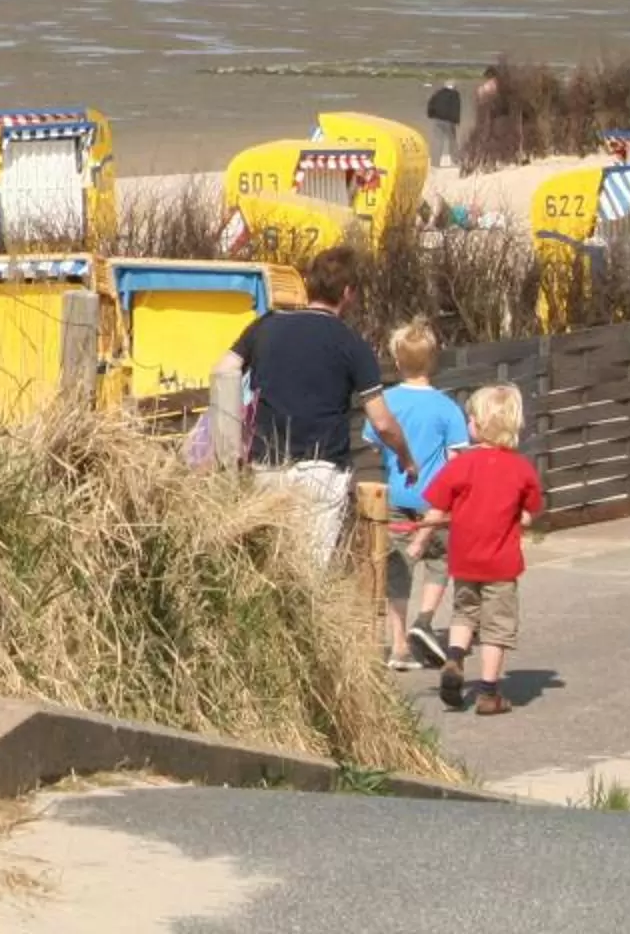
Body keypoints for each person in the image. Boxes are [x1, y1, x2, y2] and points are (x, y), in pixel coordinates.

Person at [228, 246, 417, 562]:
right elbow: (382, 422)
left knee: (268, 565)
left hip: (266, 463)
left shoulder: (267, 326)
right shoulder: (351, 343)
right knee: (309, 570)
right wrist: (406, 457)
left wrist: (229, 437)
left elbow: (224, 368)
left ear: (308, 284)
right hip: (321, 468)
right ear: (347, 293)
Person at [420, 385, 546, 717]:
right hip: (501, 564)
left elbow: (436, 505)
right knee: (496, 626)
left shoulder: (461, 465)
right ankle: (489, 693)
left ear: (476, 426)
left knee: (464, 613)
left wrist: (420, 540)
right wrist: (522, 517)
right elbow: (531, 513)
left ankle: (456, 657)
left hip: (464, 559)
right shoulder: (521, 469)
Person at [368, 320, 471, 669]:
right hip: (435, 501)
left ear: (397, 361)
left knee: (398, 568)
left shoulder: (387, 401)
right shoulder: (447, 408)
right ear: (433, 361)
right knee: (440, 561)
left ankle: (398, 645)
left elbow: (375, 440)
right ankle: (424, 621)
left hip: (397, 495)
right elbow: (456, 459)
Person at [425, 79, 462, 170]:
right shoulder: (455, 94)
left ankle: (435, 163)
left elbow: (430, 104)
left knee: (437, 141)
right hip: (449, 121)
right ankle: (455, 161)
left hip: (437, 120)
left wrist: (431, 115)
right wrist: (456, 121)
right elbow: (456, 108)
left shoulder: (438, 93)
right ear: (454, 87)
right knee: (452, 142)